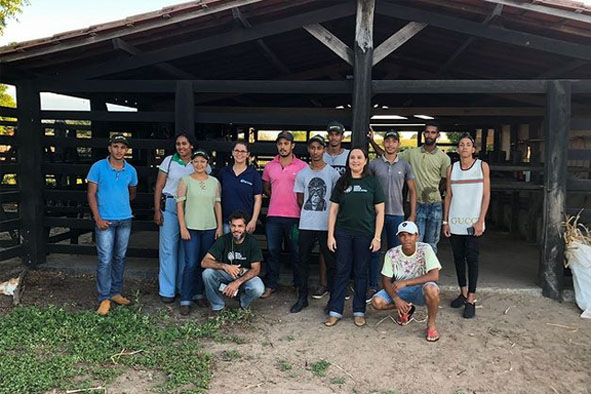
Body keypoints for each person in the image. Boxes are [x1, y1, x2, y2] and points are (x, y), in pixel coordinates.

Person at [325, 147, 385, 327]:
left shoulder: (372, 183)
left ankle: (359, 311)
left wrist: (377, 237)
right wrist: (330, 235)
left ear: (366, 161)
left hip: (365, 234)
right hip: (343, 233)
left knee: (361, 273)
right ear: (348, 160)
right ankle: (335, 311)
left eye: (359, 158)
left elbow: (380, 211)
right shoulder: (342, 182)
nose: (355, 161)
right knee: (341, 271)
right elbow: (333, 210)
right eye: (352, 158)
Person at [87, 134, 138, 316]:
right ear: (109, 148)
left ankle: (115, 292)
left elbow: (132, 192)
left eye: (122, 147)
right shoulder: (98, 167)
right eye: (115, 146)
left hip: (125, 219)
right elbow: (91, 194)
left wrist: (121, 205)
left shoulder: (130, 170)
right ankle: (104, 298)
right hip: (105, 220)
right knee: (105, 259)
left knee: (120, 257)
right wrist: (98, 218)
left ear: (126, 150)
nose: (119, 150)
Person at [443, 134, 491, 319]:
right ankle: (462, 292)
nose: (464, 147)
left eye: (468, 145)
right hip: (455, 221)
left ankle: (471, 298)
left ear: (473, 149)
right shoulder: (451, 169)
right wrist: (446, 221)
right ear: (457, 149)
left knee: (472, 258)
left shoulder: (482, 167)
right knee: (458, 257)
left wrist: (480, 220)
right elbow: (448, 196)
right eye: (461, 145)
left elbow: (486, 195)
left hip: (473, 221)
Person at [291, 135, 340, 313]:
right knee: (302, 261)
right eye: (312, 148)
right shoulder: (303, 173)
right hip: (306, 224)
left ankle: (333, 300)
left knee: (331, 263)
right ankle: (302, 297)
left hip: (327, 225)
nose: (316, 151)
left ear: (324, 150)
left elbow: (336, 200)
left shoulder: (333, 174)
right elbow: (300, 198)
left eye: (319, 148)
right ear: (309, 150)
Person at [371, 221, 442, 342]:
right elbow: (386, 280)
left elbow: (434, 276)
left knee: (432, 289)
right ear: (399, 237)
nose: (406, 239)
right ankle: (407, 308)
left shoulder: (425, 249)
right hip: (400, 291)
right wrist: (396, 299)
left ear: (417, 236)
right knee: (376, 302)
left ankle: (431, 324)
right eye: (402, 235)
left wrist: (406, 282)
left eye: (410, 235)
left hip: (421, 289)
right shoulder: (392, 253)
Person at [367, 130, 417, 300]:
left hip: (397, 215)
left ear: (398, 144)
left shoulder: (404, 165)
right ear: (384, 143)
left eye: (393, 141)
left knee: (396, 253)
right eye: (387, 141)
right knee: (375, 251)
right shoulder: (374, 164)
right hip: (377, 215)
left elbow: (412, 190)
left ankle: (396, 286)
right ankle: (372, 285)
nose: (390, 144)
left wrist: (412, 214)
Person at [261, 131, 307, 298]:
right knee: (273, 251)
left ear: (292, 145)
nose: (283, 147)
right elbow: (266, 187)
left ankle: (297, 285)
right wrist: (276, 197)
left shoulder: (302, 166)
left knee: (296, 252)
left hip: (295, 216)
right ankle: (271, 284)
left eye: (286, 143)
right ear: (277, 146)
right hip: (273, 216)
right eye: (280, 144)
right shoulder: (269, 166)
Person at [177, 150, 223, 316]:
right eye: (196, 161)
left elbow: (217, 205)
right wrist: (182, 227)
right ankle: (185, 299)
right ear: (192, 163)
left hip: (209, 227)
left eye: (202, 162)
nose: (199, 164)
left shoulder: (214, 182)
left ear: (207, 164)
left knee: (204, 263)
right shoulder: (185, 181)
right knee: (190, 263)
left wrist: (219, 226)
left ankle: (199, 294)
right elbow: (180, 206)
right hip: (191, 228)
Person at [153, 133, 196, 304]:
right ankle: (167, 290)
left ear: (191, 145)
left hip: (190, 209)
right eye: (178, 144)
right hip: (170, 206)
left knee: (186, 251)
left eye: (184, 144)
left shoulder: (199, 162)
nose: (181, 147)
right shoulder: (169, 161)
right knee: (168, 250)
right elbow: (159, 186)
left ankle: (182, 287)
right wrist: (157, 210)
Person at [398, 122, 451, 254]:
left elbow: (445, 179)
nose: (429, 135)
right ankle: (418, 273)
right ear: (423, 134)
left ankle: (431, 273)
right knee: (416, 241)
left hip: (435, 204)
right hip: (417, 204)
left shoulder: (444, 158)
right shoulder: (411, 154)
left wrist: (436, 191)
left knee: (432, 243)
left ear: (437, 135)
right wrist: (373, 142)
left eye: (433, 132)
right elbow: (391, 156)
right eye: (427, 132)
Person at [313, 121, 350, 300]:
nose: (334, 137)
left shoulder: (349, 156)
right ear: (328, 136)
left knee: (344, 247)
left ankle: (342, 284)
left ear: (342, 136)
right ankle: (324, 283)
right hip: (324, 207)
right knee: (324, 247)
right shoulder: (321, 155)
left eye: (337, 134)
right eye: (332, 134)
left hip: (345, 206)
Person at [201, 210, 265, 314]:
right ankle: (217, 306)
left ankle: (243, 305)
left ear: (245, 227)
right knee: (207, 274)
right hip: (227, 274)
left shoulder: (252, 242)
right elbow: (204, 262)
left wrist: (237, 283)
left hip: (245, 275)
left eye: (240, 226)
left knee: (258, 288)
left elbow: (256, 269)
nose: (236, 229)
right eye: (233, 226)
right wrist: (225, 266)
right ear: (230, 226)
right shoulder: (224, 240)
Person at [217, 140, 262, 234]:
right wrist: (219, 223)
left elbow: (258, 199)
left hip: (245, 224)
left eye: (243, 151)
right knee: (227, 248)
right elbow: (217, 198)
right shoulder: (224, 173)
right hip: (226, 222)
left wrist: (253, 220)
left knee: (243, 249)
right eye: (237, 151)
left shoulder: (254, 175)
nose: (239, 154)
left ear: (247, 154)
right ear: (233, 152)